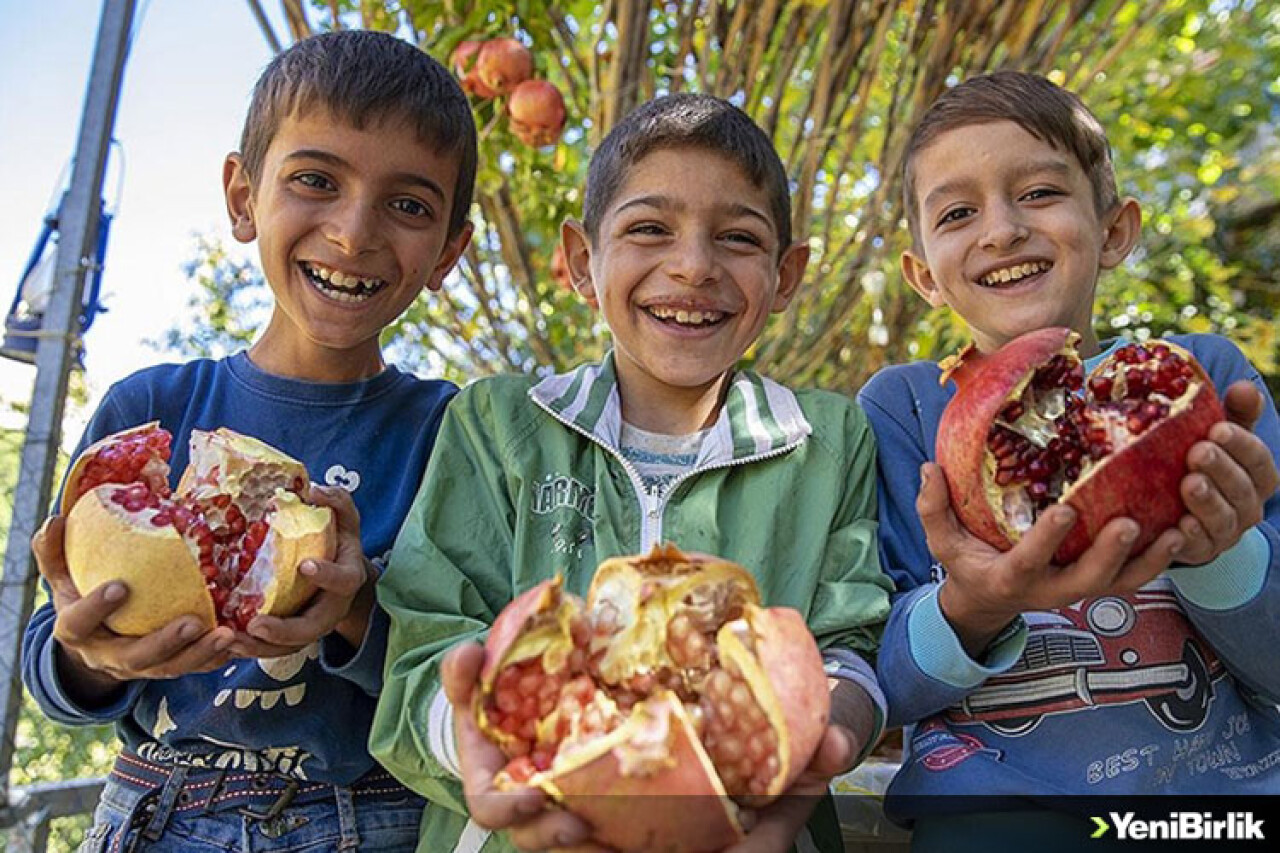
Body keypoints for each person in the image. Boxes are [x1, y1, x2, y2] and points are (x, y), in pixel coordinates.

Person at [370, 93, 894, 852]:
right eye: (650, 229)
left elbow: (850, 645)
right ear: (584, 261)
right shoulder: (495, 425)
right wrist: (482, 739)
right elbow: (424, 650)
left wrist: (824, 730)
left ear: (786, 276)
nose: (692, 266)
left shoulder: (830, 438)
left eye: (738, 239)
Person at [21, 30, 476, 851]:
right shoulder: (148, 407)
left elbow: (461, 667)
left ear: (449, 251)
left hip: (372, 814)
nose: (353, 232)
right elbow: (50, 674)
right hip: (156, 810)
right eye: (314, 180)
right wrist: (97, 654)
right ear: (242, 196)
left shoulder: (453, 434)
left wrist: (356, 610)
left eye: (408, 205)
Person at [859, 71, 1280, 850]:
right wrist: (970, 607)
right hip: (992, 811)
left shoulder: (1208, 382)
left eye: (1039, 192)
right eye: (958, 212)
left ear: (1115, 230)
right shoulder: (903, 411)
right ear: (922, 275)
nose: (1001, 230)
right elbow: (877, 678)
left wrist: (1219, 552)